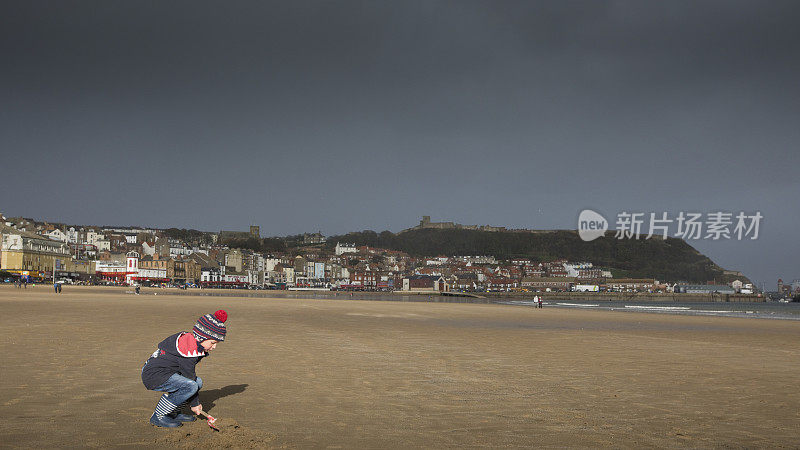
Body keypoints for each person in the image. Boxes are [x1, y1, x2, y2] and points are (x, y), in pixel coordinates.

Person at [141, 310, 228, 428]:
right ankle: (159, 416)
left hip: (166, 372)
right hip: (154, 375)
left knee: (198, 382)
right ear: (202, 337)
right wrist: (195, 404)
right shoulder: (189, 350)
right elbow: (189, 376)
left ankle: (172, 413)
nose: (214, 347)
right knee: (191, 385)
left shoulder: (192, 342)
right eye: (212, 342)